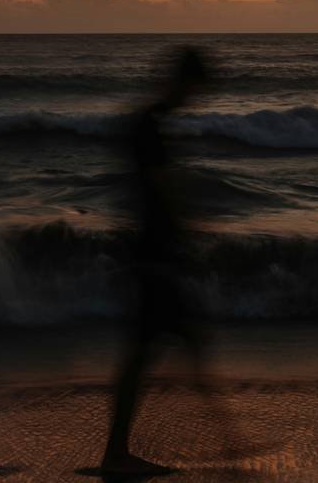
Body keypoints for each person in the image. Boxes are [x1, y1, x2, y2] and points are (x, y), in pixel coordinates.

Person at [100, 46, 216, 476]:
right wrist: (185, 231)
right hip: (155, 251)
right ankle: (116, 454)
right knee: (157, 348)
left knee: (170, 345)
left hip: (153, 248)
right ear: (182, 81)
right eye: (194, 88)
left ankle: (117, 451)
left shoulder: (148, 123)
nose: (194, 99)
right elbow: (159, 188)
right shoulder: (149, 126)